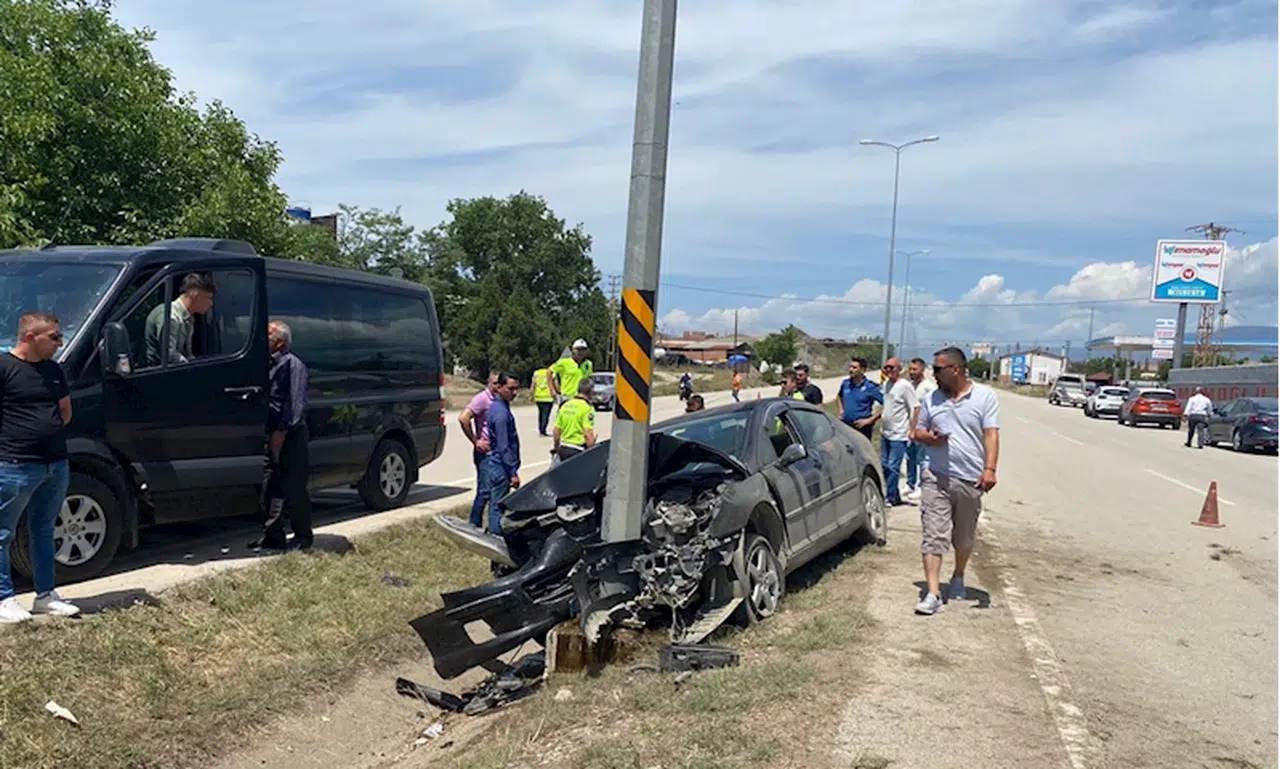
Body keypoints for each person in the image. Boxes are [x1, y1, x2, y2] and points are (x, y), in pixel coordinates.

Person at [0, 311, 80, 622]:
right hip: (15, 465)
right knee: (3, 533)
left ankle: (46, 595)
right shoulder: (5, 367)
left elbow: (65, 411)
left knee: (44, 530)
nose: (60, 343)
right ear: (30, 337)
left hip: (55, 464)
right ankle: (4, 597)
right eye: (54, 337)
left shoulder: (53, 370)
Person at [911, 347, 999, 616]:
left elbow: (991, 435)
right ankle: (933, 593)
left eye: (937, 369)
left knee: (963, 538)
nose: (933, 374)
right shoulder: (932, 399)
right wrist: (930, 438)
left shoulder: (984, 396)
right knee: (933, 534)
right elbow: (916, 432)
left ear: (955, 370)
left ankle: (958, 575)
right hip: (935, 476)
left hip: (970, 479)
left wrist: (990, 469)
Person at [255, 320, 313, 551]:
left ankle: (302, 537)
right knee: (270, 487)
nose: (264, 338)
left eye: (268, 334)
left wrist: (281, 433)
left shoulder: (293, 365)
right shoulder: (267, 365)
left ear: (279, 342)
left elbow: (296, 406)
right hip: (271, 433)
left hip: (291, 435)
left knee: (295, 487)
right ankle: (273, 536)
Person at [480, 374, 521, 536]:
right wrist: (512, 473)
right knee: (498, 508)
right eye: (511, 388)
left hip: (496, 464)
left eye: (517, 388)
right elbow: (504, 446)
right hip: (500, 467)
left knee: (495, 505)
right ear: (500, 388)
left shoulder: (499, 407)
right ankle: (496, 539)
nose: (515, 392)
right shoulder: (501, 414)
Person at [144, 273, 215, 366]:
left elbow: (187, 353)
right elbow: (168, 355)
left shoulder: (188, 318)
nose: (211, 303)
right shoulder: (171, 317)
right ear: (196, 296)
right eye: (208, 298)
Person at [879, 358, 918, 507]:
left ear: (899, 369)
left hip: (899, 434)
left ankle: (889, 497)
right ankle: (894, 495)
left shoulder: (905, 386)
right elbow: (885, 405)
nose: (889, 371)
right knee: (884, 465)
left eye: (892, 368)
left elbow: (915, 408)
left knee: (893, 466)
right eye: (886, 368)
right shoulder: (887, 384)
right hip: (885, 432)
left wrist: (912, 430)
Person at [904, 358, 937, 504]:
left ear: (922, 370)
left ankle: (920, 486)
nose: (911, 372)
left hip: (922, 429)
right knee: (909, 457)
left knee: (922, 459)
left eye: (914, 369)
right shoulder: (910, 386)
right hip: (908, 427)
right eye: (910, 369)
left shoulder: (928, 387)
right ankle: (910, 484)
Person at [552, 378, 598, 464]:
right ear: (591, 391)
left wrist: (556, 449)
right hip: (578, 451)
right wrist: (592, 450)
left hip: (563, 448)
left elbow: (556, 432)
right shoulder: (587, 408)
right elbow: (588, 434)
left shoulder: (565, 405)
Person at [838, 358, 882, 440]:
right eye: (850, 367)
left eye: (854, 368)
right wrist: (841, 411)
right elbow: (840, 396)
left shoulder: (871, 387)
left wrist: (871, 420)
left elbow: (887, 404)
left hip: (862, 427)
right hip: (846, 425)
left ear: (862, 370)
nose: (851, 370)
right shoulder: (846, 384)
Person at [548, 339, 593, 408]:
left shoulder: (588, 364)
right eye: (578, 349)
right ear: (573, 350)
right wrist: (552, 390)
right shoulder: (564, 362)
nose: (581, 352)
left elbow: (589, 380)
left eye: (583, 350)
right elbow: (550, 372)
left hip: (582, 398)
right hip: (567, 397)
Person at [532, 364, 554, 437]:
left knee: (541, 414)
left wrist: (531, 394)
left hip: (538, 396)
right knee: (546, 415)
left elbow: (533, 384)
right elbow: (554, 383)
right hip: (548, 397)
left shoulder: (536, 373)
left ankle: (540, 429)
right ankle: (543, 430)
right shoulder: (551, 372)